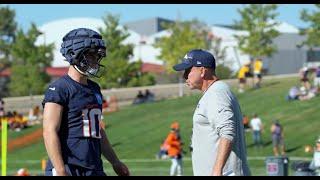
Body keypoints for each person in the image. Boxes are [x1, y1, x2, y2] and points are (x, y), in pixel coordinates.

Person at [42, 28, 129, 176]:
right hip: (69, 167)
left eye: (97, 56)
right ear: (73, 54)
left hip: (93, 168)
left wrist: (115, 161)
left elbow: (97, 130)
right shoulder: (60, 88)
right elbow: (49, 131)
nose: (95, 60)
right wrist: (61, 169)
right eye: (90, 55)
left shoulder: (94, 88)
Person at [173, 49, 251, 176]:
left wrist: (217, 170)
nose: (184, 76)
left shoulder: (216, 93)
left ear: (203, 71)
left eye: (188, 70)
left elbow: (227, 132)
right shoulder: (213, 93)